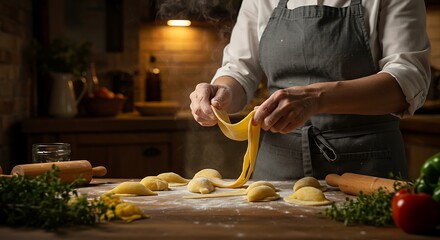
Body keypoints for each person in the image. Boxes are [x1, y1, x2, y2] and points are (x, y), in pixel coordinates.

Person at [189, 0, 431, 180]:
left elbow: (408, 80)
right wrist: (221, 92)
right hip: (276, 170)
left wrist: (317, 98)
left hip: (367, 167)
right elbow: (240, 70)